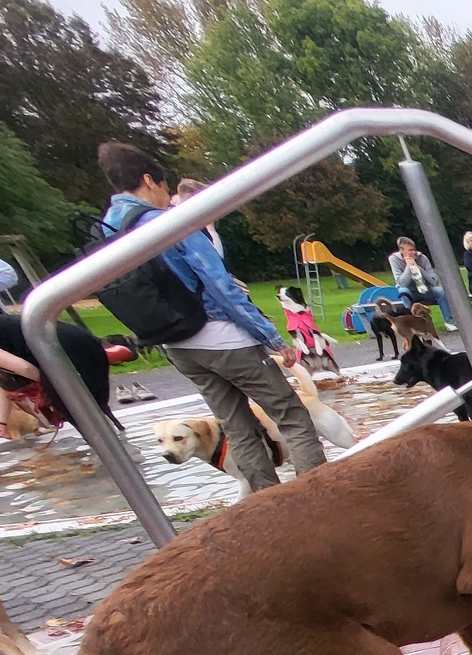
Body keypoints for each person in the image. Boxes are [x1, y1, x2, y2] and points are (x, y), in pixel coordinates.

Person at [97, 141, 322, 492]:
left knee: (236, 428)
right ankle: (319, 497)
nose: (167, 197)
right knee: (291, 416)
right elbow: (220, 286)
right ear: (149, 180)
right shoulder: (168, 223)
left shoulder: (107, 227)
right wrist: (270, 336)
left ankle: (269, 503)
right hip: (223, 338)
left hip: (176, 346)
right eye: (165, 187)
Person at [388, 236, 457, 329]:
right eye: (410, 250)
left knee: (440, 291)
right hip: (410, 292)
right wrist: (409, 267)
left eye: (414, 249)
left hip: (426, 290)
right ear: (402, 250)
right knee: (403, 291)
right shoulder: (394, 259)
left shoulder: (423, 258)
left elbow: (434, 281)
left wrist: (419, 268)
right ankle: (413, 324)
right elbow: (402, 283)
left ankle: (449, 321)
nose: (414, 252)